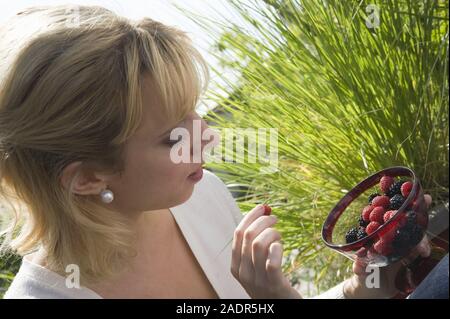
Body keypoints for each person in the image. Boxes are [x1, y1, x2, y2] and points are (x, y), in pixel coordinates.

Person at [0, 5, 444, 299]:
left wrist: (365, 284)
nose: (208, 138)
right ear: (87, 178)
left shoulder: (197, 197)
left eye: (194, 111)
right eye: (173, 136)